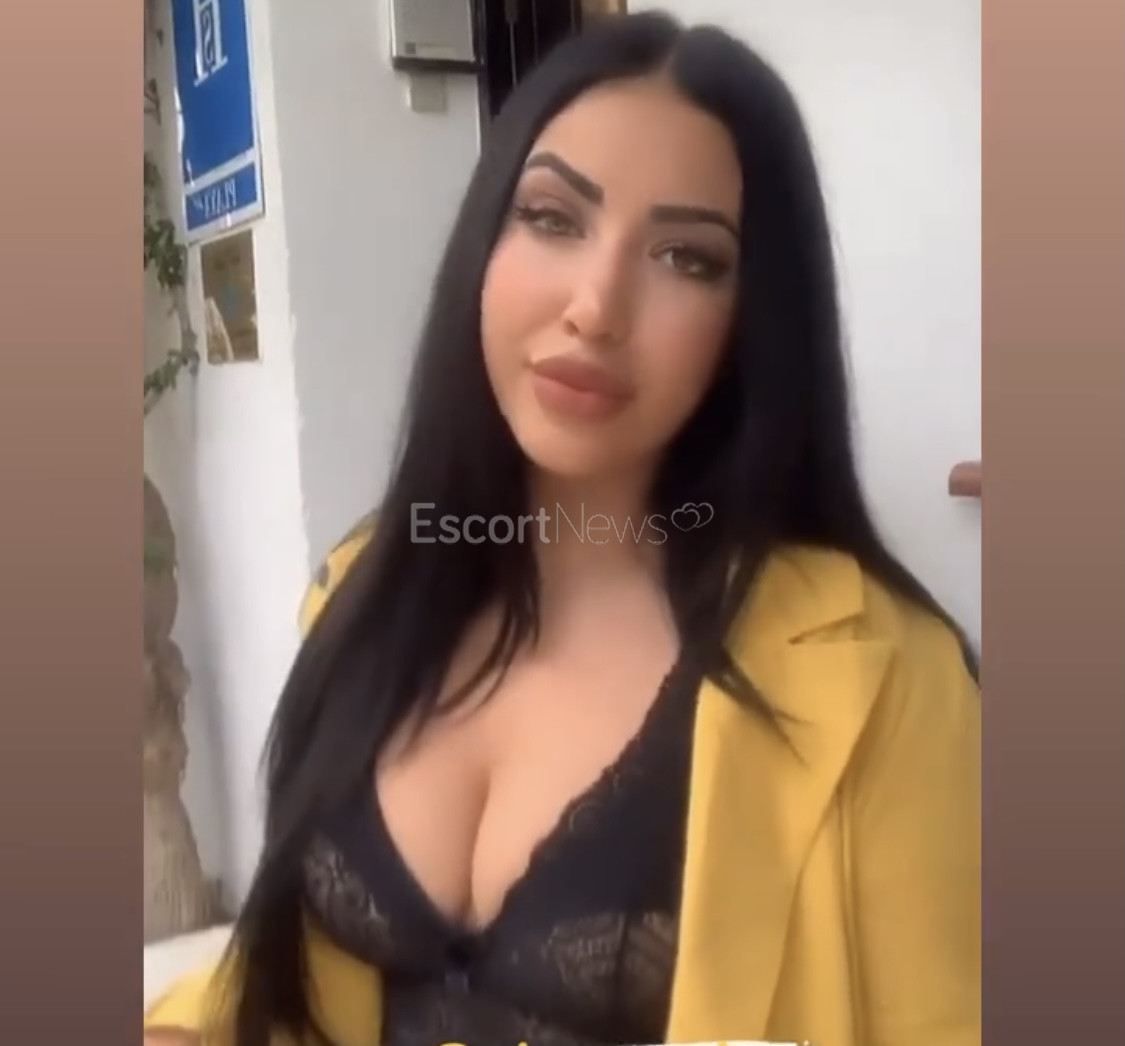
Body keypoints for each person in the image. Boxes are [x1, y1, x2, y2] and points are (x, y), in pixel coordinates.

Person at [144, 10, 981, 1046]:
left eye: (685, 257)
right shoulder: (368, 582)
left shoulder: (889, 677)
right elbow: (291, 969)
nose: (596, 305)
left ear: (751, 321)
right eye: (551, 217)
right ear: (483, 245)